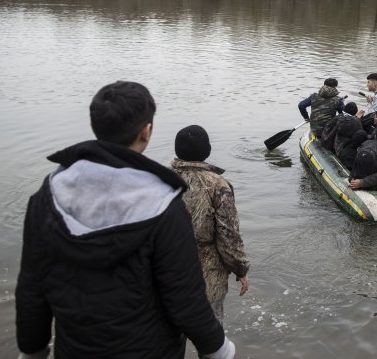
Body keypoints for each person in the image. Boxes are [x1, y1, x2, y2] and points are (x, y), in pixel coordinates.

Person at [15, 81, 235, 359]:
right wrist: (217, 349)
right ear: (146, 131)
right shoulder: (165, 206)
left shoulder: (46, 198)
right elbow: (185, 299)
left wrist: (32, 350)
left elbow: (32, 289)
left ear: (95, 124)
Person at [171, 125, 250, 323]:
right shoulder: (218, 185)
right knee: (210, 336)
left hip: (167, 271)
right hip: (207, 276)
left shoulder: (160, 178)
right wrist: (240, 269)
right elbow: (228, 234)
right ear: (207, 151)